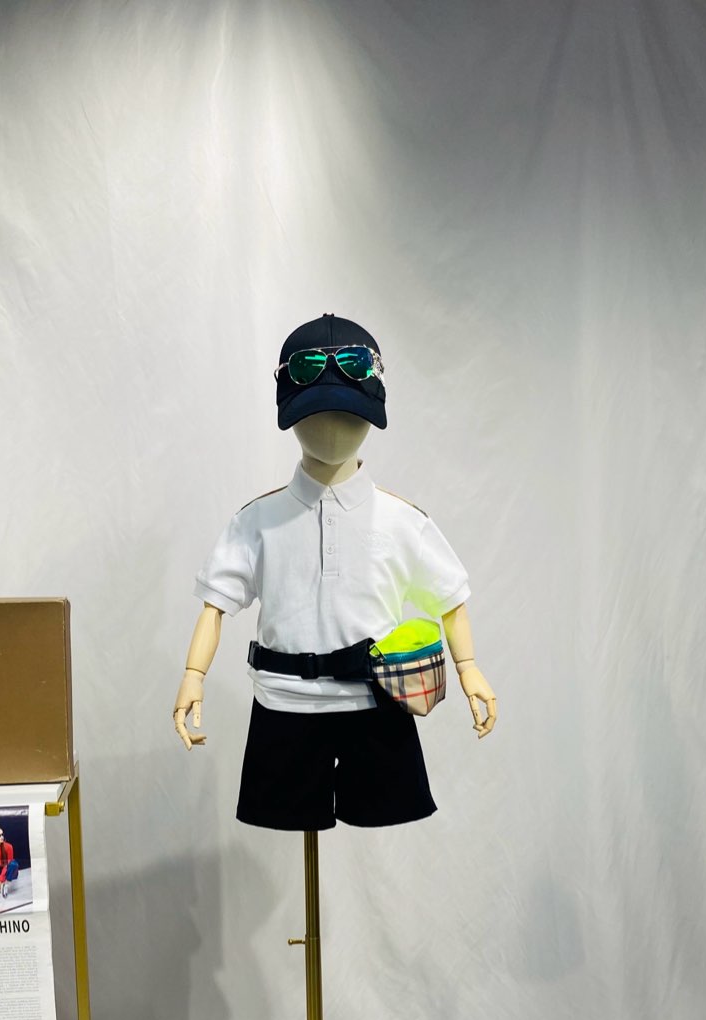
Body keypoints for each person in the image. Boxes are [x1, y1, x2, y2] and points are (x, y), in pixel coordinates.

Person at [173, 314, 496, 831]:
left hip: (378, 706)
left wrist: (468, 668)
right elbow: (215, 606)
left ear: (371, 417)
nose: (332, 429)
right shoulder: (256, 521)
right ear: (290, 416)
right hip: (284, 706)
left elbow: (450, 599)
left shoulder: (403, 521)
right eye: (315, 414)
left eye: (349, 415)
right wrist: (194, 676)